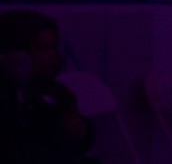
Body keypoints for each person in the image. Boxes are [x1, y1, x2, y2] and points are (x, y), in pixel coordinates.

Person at [0, 10, 99, 164]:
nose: (52, 55)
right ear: (17, 53)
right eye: (43, 49)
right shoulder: (9, 96)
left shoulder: (58, 92)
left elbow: (73, 147)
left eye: (54, 48)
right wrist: (59, 128)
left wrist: (81, 131)